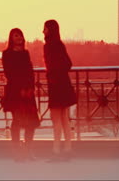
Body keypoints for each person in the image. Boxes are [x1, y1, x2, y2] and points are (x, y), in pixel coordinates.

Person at [2, 28, 40, 162]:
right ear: (11, 38)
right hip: (15, 92)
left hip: (28, 93)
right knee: (17, 121)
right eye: (15, 36)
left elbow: (30, 72)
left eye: (20, 36)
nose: (18, 38)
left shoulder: (25, 53)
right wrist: (21, 89)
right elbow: (9, 73)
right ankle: (17, 151)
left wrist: (30, 88)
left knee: (31, 122)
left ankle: (27, 150)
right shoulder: (6, 54)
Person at [43, 20, 77, 162]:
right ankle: (67, 150)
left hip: (55, 86)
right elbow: (68, 64)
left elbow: (51, 67)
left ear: (49, 30)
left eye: (44, 29)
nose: (43, 31)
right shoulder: (60, 44)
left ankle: (56, 151)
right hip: (64, 84)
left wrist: (53, 75)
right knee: (64, 120)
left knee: (56, 120)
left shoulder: (48, 46)